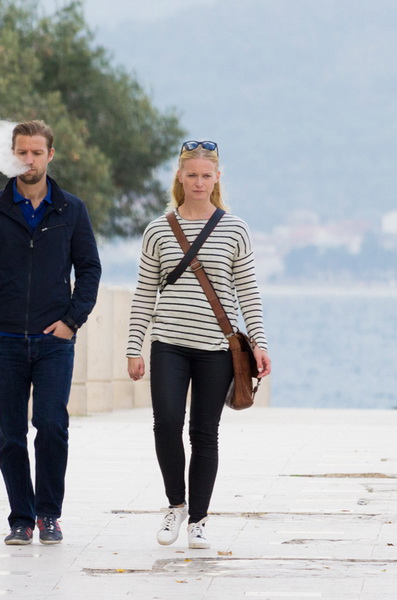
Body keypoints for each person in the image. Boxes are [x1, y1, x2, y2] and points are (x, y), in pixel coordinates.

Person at [126, 139, 271, 549]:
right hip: (168, 343)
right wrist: (134, 347)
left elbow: (248, 292)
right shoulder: (158, 230)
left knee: (204, 433)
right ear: (179, 176)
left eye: (207, 175)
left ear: (217, 178)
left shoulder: (235, 229)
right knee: (166, 424)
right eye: (192, 175)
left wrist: (260, 342)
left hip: (216, 348)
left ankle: (199, 520)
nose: (199, 182)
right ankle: (176, 505)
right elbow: (144, 293)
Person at [0, 120, 101, 545]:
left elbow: (89, 270)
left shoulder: (71, 209)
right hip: (2, 340)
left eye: (36, 152)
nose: (29, 160)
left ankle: (49, 515)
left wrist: (71, 322)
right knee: (11, 436)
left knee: (52, 426)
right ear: (12, 155)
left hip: (53, 342)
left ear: (49, 155)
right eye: (22, 152)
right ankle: (20, 519)